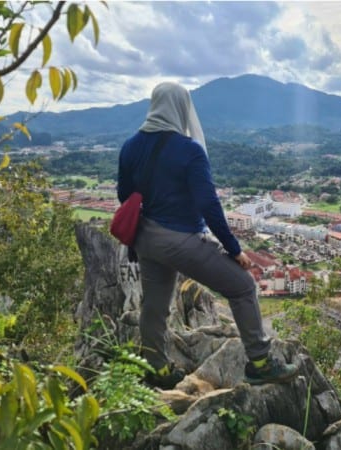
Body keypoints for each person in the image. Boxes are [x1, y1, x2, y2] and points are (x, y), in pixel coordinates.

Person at [117, 82, 298, 389]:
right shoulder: (189, 150)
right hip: (180, 239)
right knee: (242, 287)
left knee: (155, 306)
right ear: (182, 108)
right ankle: (260, 362)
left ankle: (156, 369)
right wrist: (233, 247)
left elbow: (125, 195)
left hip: (145, 238)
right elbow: (208, 204)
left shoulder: (130, 146)